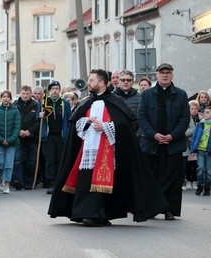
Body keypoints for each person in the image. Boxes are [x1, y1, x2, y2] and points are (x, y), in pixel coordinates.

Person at [48, 69, 168, 226]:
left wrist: (105, 127)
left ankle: (102, 215)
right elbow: (76, 124)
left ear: (101, 83)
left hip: (108, 150)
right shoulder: (86, 101)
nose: (89, 83)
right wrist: (86, 122)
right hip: (88, 150)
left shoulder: (115, 101)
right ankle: (86, 213)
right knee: (85, 182)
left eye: (91, 80)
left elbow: (125, 125)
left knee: (107, 185)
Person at [138, 63, 190, 220]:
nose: (165, 75)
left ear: (172, 75)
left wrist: (172, 136)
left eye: (168, 73)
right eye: (162, 73)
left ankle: (168, 209)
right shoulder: (147, 95)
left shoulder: (181, 94)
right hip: (151, 143)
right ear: (157, 75)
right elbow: (142, 117)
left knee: (172, 179)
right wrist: (153, 134)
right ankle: (150, 207)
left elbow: (185, 119)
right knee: (151, 178)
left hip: (172, 144)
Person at [38, 81, 71, 193]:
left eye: (57, 88)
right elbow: (37, 117)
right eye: (53, 88)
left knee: (59, 159)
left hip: (60, 136)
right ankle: (50, 181)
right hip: (48, 136)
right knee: (49, 159)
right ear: (50, 90)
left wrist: (68, 132)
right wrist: (39, 115)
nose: (55, 90)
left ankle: (59, 181)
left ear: (60, 90)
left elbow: (69, 118)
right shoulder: (43, 102)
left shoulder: (64, 103)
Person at [0, 90, 21, 194]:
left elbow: (17, 127)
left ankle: (7, 184)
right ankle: (1, 178)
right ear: (1, 98)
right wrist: (1, 139)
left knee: (9, 163)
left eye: (7, 97)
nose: (5, 99)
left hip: (11, 143)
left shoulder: (15, 111)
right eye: (4, 97)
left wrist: (10, 139)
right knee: (1, 163)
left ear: (10, 98)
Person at [12, 85, 39, 190]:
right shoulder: (14, 105)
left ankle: (29, 181)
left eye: (28, 93)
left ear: (31, 94)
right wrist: (18, 131)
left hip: (32, 137)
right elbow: (12, 120)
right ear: (20, 93)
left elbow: (38, 122)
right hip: (18, 137)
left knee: (31, 161)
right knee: (17, 159)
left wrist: (30, 131)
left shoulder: (36, 105)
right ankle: (18, 180)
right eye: (23, 93)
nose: (25, 95)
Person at [189, 105, 211, 196]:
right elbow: (194, 137)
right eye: (204, 112)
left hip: (209, 151)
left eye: (207, 112)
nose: (205, 114)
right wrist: (193, 148)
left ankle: (207, 187)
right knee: (200, 168)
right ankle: (200, 186)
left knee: (209, 171)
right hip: (200, 150)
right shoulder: (200, 124)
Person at [185, 100, 200, 189]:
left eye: (196, 108)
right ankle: (188, 180)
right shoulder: (186, 118)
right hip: (188, 144)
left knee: (195, 164)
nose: (194, 110)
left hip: (197, 145)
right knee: (188, 164)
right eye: (192, 108)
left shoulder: (201, 119)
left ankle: (194, 180)